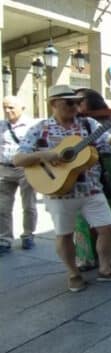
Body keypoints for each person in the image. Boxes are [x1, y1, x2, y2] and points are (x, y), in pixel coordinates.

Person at [13, 85, 111, 291]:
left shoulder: (88, 124)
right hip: (59, 192)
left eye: (77, 102)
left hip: (91, 188)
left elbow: (108, 146)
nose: (75, 106)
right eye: (69, 102)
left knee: (108, 228)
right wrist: (44, 155)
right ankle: (73, 273)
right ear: (53, 104)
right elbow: (19, 158)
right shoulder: (40, 129)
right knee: (64, 234)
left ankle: (105, 269)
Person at [72, 88, 111, 270]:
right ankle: (86, 256)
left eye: (79, 101)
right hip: (79, 172)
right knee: (81, 218)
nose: (76, 105)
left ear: (92, 103)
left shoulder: (108, 122)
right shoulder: (70, 123)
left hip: (108, 170)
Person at [0, 96, 36, 252]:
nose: (8, 111)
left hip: (26, 169)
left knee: (29, 205)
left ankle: (28, 235)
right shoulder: (1, 126)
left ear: (22, 108)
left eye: (11, 108)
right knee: (3, 207)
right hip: (4, 169)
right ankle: (4, 239)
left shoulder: (33, 126)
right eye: (5, 108)